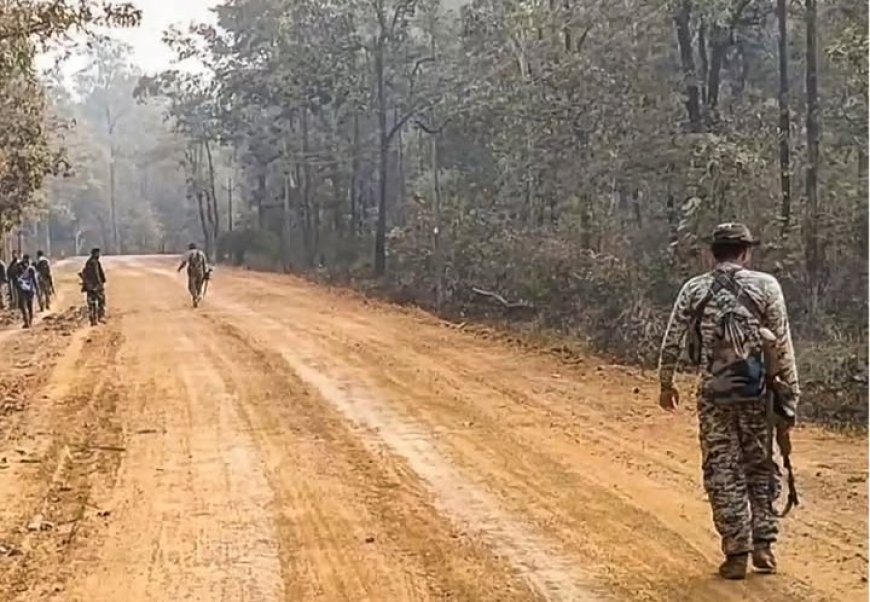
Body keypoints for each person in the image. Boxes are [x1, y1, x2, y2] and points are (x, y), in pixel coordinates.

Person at [658, 222, 799, 580]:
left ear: (712, 253)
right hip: (760, 396)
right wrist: (790, 398)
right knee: (761, 466)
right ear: (745, 252)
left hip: (713, 397)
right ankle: (764, 546)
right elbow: (782, 346)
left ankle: (737, 553)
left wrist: (666, 383)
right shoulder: (767, 286)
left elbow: (672, 339)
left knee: (722, 471)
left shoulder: (694, 288)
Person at [80, 248, 107, 326]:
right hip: (95, 287)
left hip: (90, 286)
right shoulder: (93, 262)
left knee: (92, 304)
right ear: (94, 254)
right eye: (97, 253)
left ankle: (93, 320)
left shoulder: (90, 262)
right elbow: (97, 275)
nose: (98, 255)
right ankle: (99, 317)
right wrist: (100, 284)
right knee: (100, 302)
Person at [177, 243, 209, 308]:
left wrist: (179, 268)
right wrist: (206, 273)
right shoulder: (201, 253)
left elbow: (184, 263)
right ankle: (199, 296)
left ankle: (195, 297)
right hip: (201, 272)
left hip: (193, 272)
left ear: (190, 248)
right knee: (199, 287)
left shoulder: (189, 253)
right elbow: (205, 264)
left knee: (191, 287)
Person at [14, 255, 39, 329]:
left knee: (23, 306)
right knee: (29, 305)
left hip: (22, 290)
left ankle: (26, 321)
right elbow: (35, 280)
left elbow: (15, 278)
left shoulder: (18, 268)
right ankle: (30, 320)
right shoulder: (32, 269)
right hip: (30, 290)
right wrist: (37, 289)